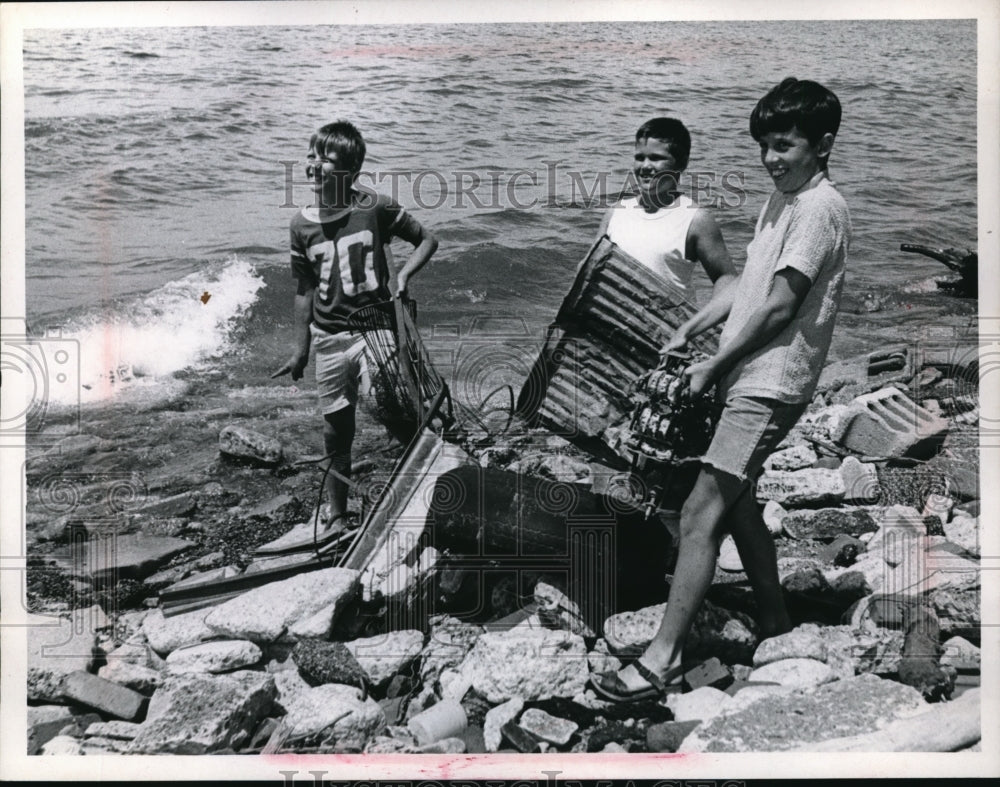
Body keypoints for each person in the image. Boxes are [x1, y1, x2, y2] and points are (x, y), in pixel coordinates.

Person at [592, 78, 851, 701]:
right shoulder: (782, 200)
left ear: (823, 144)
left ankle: (663, 659)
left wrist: (713, 367)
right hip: (750, 375)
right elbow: (743, 290)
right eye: (764, 144)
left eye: (784, 145)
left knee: (699, 511)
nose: (771, 157)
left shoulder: (819, 208)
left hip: (769, 383)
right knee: (737, 503)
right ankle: (775, 618)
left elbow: (780, 308)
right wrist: (693, 325)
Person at [272, 121, 438, 531]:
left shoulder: (374, 208)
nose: (313, 165)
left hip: (375, 330)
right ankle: (338, 515)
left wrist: (403, 278)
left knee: (387, 401)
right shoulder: (300, 225)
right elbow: (304, 289)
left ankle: (429, 475)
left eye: (324, 159)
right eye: (311, 155)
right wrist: (300, 350)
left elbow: (427, 240)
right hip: (328, 341)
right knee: (335, 431)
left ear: (350, 172)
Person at [597, 117, 736, 304]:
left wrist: (703, 323)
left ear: (681, 164)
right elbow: (591, 267)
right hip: (614, 321)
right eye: (639, 157)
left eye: (656, 158)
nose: (645, 166)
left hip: (668, 326)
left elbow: (726, 278)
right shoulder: (615, 212)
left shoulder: (695, 219)